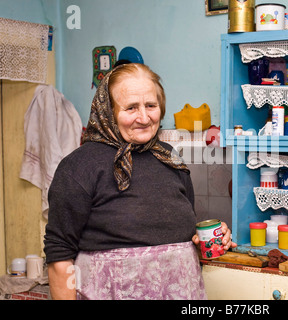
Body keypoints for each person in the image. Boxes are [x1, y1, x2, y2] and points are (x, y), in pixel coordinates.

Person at [44, 63, 235, 300]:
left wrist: (209, 238)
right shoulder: (79, 166)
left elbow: (180, 239)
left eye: (151, 106)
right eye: (131, 108)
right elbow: (59, 256)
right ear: (108, 112)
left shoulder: (170, 158)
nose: (144, 118)